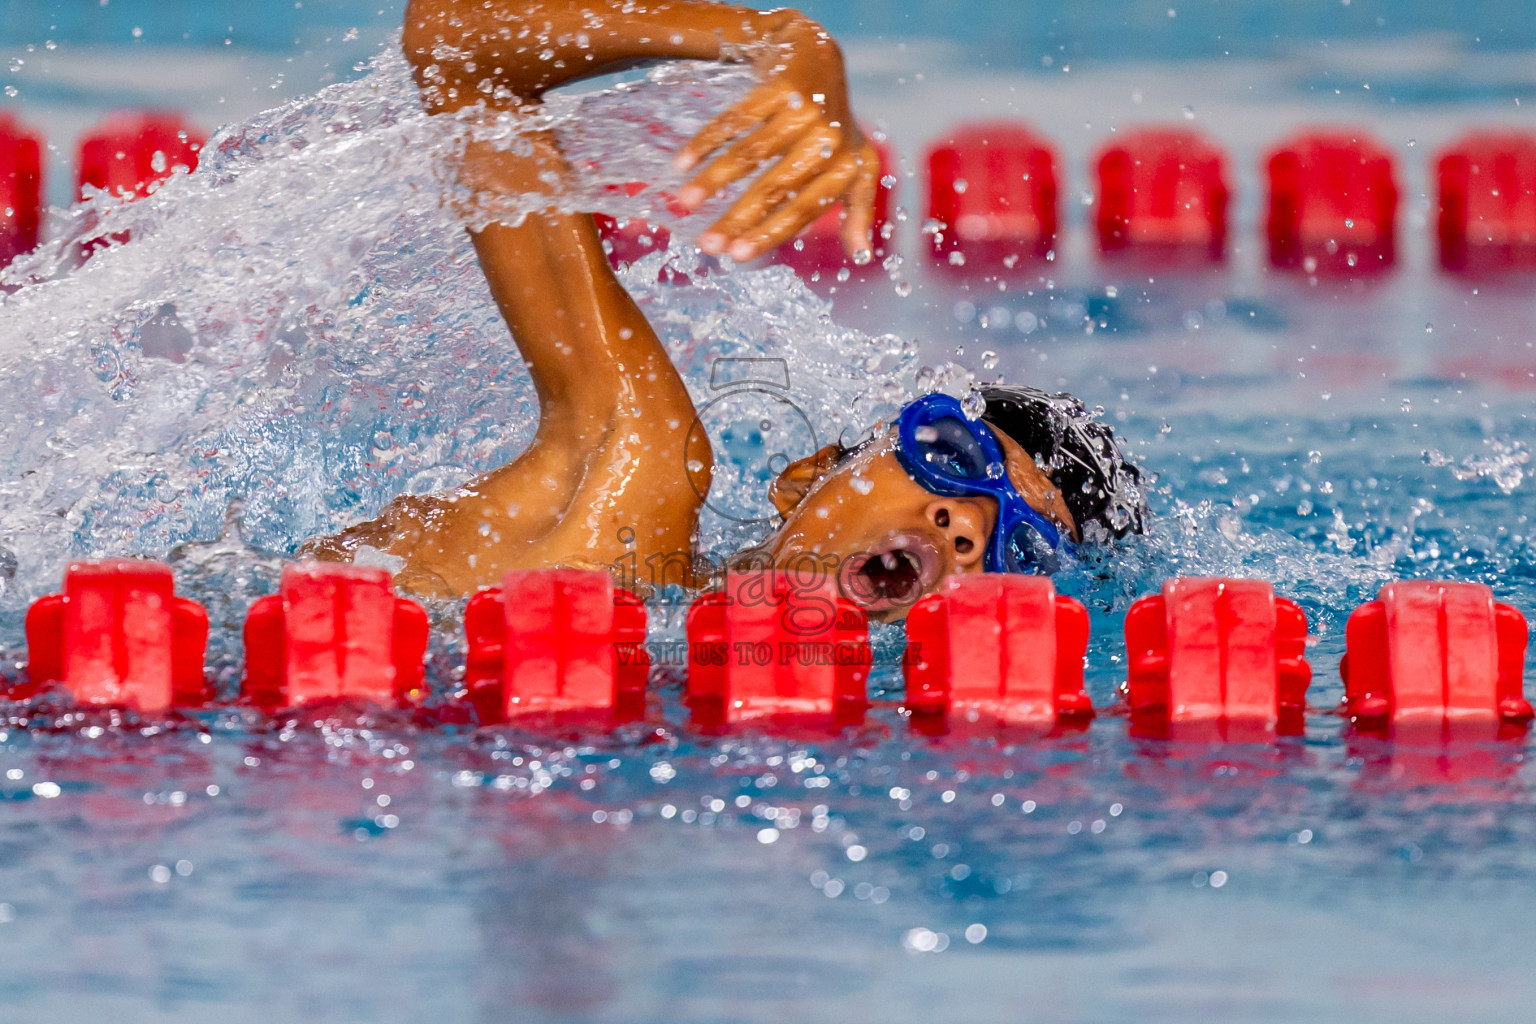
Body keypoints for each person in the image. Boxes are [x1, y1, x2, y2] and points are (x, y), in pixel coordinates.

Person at [307, 0, 1145, 621]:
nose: (967, 522)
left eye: (1021, 546)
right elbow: (455, 43)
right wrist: (775, 39)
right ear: (804, 476)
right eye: (951, 453)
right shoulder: (627, 483)